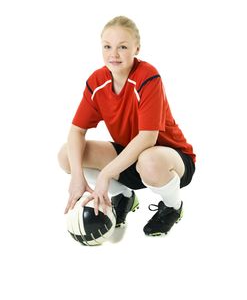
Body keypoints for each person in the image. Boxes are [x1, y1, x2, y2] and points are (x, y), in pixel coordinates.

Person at [58, 16, 196, 236]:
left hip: (170, 161)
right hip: (131, 158)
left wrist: (104, 176)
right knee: (67, 155)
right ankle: (124, 197)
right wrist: (77, 176)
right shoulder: (97, 81)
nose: (114, 54)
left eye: (122, 47)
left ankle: (173, 207)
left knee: (148, 160)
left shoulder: (147, 76)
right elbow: (77, 131)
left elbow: (147, 139)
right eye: (107, 46)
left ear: (136, 49)